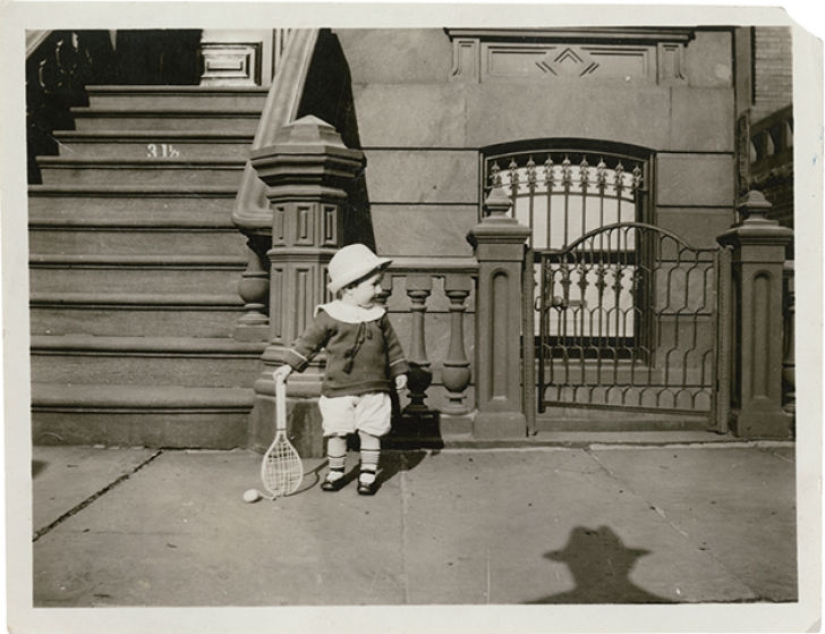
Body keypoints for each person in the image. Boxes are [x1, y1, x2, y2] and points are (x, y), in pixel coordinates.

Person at [272, 243, 409, 495]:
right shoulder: (330, 315)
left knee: (371, 432)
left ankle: (367, 475)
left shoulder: (378, 316)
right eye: (373, 285)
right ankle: (336, 472)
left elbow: (393, 346)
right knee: (337, 432)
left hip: (374, 387)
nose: (380, 290)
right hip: (338, 389)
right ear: (349, 289)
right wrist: (288, 367)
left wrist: (399, 371)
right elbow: (308, 342)